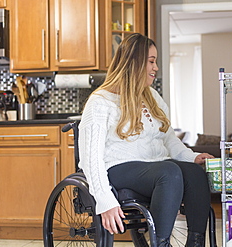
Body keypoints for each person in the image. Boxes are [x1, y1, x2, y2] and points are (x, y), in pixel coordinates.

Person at [78, 33, 213, 247]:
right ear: (134, 62)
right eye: (151, 61)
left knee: (195, 173)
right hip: (118, 168)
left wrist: (193, 157)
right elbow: (90, 158)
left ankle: (196, 243)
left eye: (155, 61)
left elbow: (169, 140)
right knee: (168, 172)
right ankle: (160, 244)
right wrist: (104, 201)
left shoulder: (152, 97)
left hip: (154, 168)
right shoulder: (101, 101)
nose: (156, 67)